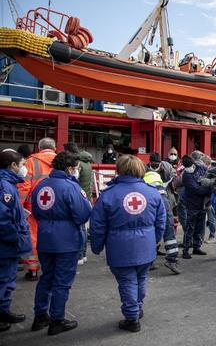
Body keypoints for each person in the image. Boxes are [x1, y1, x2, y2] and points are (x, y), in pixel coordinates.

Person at [90, 155, 166, 332]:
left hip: (119, 247)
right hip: (146, 245)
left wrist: (96, 245)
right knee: (141, 278)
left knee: (127, 281)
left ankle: (132, 317)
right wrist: (154, 240)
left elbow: (98, 225)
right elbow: (161, 221)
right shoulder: (152, 192)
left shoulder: (108, 194)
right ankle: (137, 308)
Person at [30, 151, 92, 335]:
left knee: (46, 278)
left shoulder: (41, 185)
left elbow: (35, 211)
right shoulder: (71, 187)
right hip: (66, 241)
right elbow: (82, 214)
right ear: (70, 168)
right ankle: (57, 320)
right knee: (62, 282)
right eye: (76, 168)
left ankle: (40, 316)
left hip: (45, 238)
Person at [0, 150, 32, 333]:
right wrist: (15, 237)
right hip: (6, 244)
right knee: (3, 280)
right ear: (12, 166)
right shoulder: (5, 186)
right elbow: (2, 219)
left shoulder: (8, 184)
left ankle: (3, 311)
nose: (24, 169)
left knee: (7, 280)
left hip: (7, 244)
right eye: (22, 165)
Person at [18, 137, 57, 281]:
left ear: (40, 148)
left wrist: (19, 207)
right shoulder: (63, 161)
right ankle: (52, 267)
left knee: (33, 237)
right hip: (56, 205)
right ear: (54, 147)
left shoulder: (31, 161)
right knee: (54, 234)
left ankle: (33, 269)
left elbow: (24, 185)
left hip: (33, 205)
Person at [143, 171, 180, 274]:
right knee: (169, 234)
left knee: (151, 234)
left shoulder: (143, 183)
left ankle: (149, 261)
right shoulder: (161, 183)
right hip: (164, 205)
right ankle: (172, 261)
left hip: (150, 205)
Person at [63, 142, 93, 266]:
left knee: (79, 229)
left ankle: (79, 254)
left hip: (78, 198)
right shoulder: (87, 163)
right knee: (83, 228)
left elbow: (74, 180)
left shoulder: (77, 164)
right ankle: (83, 254)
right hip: (87, 198)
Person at [180, 152, 214, 259]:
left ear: (193, 163)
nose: (190, 168)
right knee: (190, 228)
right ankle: (185, 250)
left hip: (202, 204)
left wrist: (209, 183)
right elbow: (196, 189)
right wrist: (209, 189)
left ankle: (196, 247)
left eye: (191, 166)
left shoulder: (200, 167)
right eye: (187, 167)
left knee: (199, 227)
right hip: (192, 205)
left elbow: (208, 174)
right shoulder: (186, 175)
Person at [205, 160, 216, 243]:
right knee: (212, 218)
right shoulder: (211, 172)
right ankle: (211, 235)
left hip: (211, 200)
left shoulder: (213, 172)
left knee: (212, 218)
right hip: (210, 199)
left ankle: (212, 235)